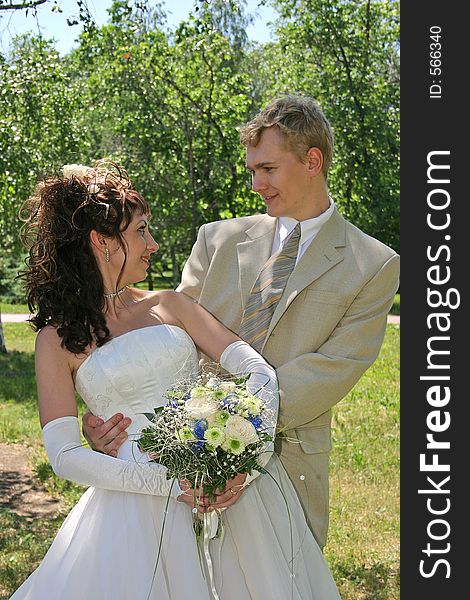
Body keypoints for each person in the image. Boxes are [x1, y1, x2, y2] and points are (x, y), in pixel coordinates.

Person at [11, 161, 341, 600]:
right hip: (133, 503)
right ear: (102, 241)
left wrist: (248, 457)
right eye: (141, 231)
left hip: (230, 491)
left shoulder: (171, 305)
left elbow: (256, 371)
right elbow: (65, 454)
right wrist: (167, 485)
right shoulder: (56, 340)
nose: (153, 243)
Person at [83, 95, 400, 550]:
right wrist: (116, 421)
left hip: (288, 464)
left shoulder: (373, 264)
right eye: (252, 170)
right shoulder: (216, 239)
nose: (255, 183)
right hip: (179, 469)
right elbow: (166, 342)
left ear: (313, 161)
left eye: (267, 169)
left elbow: (331, 369)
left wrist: (228, 436)